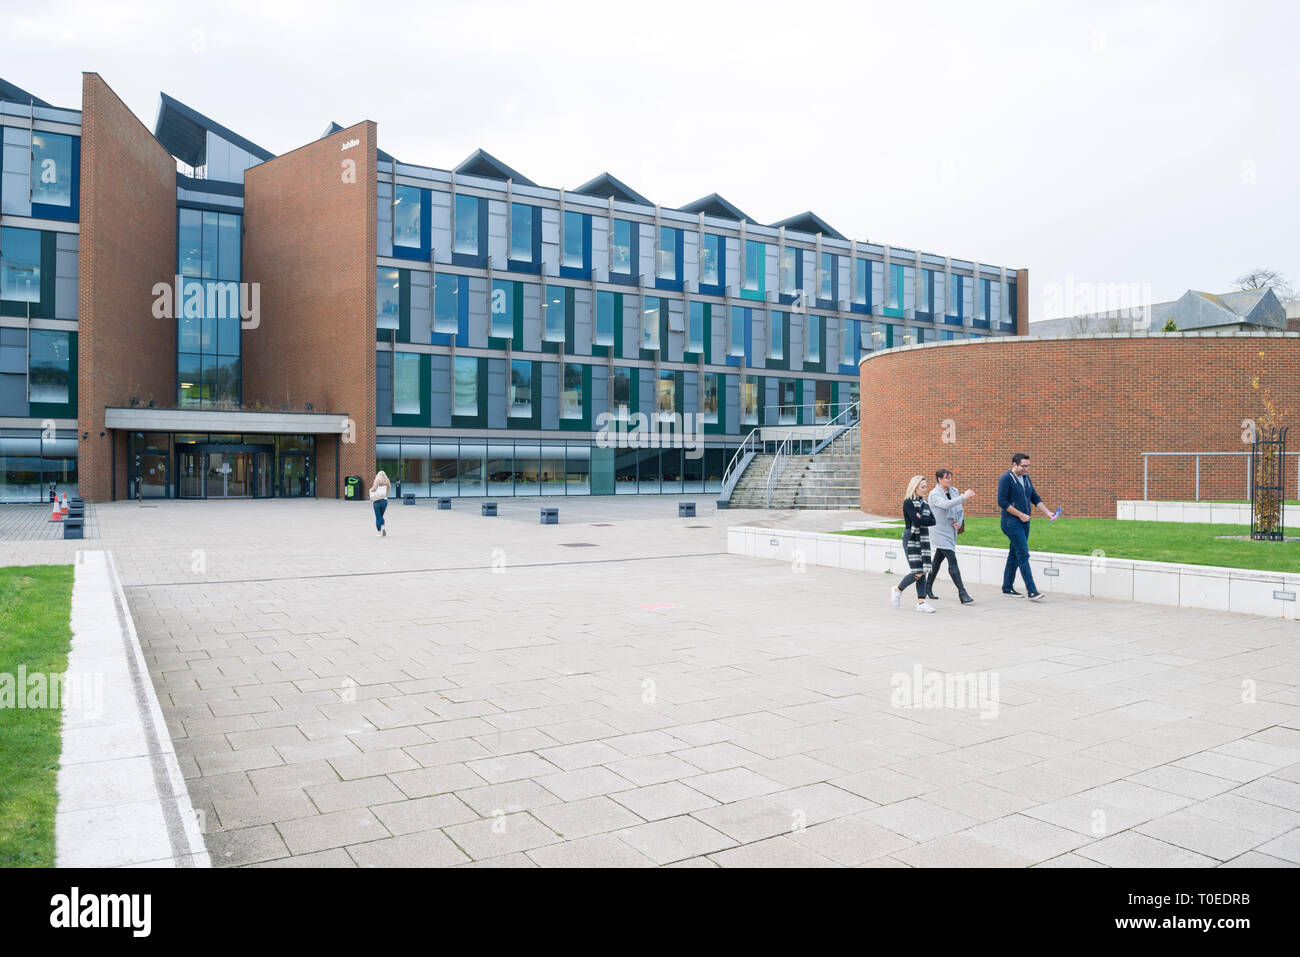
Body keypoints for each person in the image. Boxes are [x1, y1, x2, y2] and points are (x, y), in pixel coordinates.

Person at [996, 452, 1058, 600]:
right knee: (1023, 554)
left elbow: (1034, 498)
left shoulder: (1026, 478)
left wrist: (1048, 512)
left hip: (1025, 522)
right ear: (1014, 465)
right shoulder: (1006, 479)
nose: (1026, 469)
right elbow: (1002, 502)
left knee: (1014, 554)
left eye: (1028, 466)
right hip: (1011, 523)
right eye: (1023, 466)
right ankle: (1032, 591)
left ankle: (1007, 587)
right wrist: (1020, 515)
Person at [927, 468, 975, 604]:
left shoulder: (953, 491)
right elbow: (946, 505)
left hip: (951, 530)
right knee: (952, 560)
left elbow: (959, 510)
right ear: (939, 479)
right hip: (939, 531)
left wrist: (958, 523)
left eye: (950, 477)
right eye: (947, 477)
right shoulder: (934, 494)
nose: (950, 480)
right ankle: (962, 592)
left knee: (936, 561)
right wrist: (964, 496)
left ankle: (926, 587)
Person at [890, 475, 937, 613]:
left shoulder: (925, 503)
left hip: (923, 539)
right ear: (915, 488)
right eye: (922, 487)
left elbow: (933, 521)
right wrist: (923, 519)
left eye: (926, 487)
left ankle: (921, 602)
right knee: (918, 571)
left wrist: (920, 517)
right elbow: (916, 523)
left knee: (923, 571)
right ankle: (897, 589)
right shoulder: (908, 502)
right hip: (911, 538)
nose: (925, 489)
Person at [370, 470, 391, 537]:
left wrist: (370, 490)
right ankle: (383, 527)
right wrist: (384, 496)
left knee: (378, 516)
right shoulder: (387, 481)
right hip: (384, 501)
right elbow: (388, 490)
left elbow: (374, 489)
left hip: (377, 501)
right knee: (381, 516)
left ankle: (379, 532)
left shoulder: (377, 481)